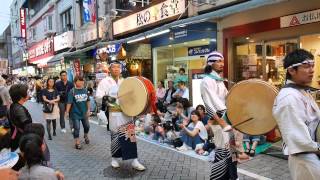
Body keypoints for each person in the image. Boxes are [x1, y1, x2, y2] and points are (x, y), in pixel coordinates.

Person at [272, 49, 320, 180]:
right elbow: (298, 140)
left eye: (312, 65)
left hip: (312, 155)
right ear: (292, 70)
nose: (312, 70)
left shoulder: (302, 91)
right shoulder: (288, 98)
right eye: (306, 66)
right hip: (305, 158)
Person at [95, 60, 145, 171]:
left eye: (118, 67)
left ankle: (134, 160)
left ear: (121, 69)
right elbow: (99, 96)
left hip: (127, 113)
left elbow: (133, 95)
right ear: (110, 69)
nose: (116, 69)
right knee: (115, 136)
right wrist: (111, 100)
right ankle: (115, 159)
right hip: (114, 113)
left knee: (130, 136)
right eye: (114, 67)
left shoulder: (125, 81)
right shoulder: (105, 82)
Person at [200, 51, 237, 180]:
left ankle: (233, 176)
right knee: (222, 153)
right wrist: (222, 123)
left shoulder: (218, 80)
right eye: (218, 61)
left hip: (226, 119)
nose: (222, 64)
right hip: (220, 121)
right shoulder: (207, 81)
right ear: (211, 63)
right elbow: (209, 105)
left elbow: (227, 98)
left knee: (231, 151)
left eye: (222, 61)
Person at [66, 76, 90, 150]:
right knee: (76, 128)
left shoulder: (85, 90)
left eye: (82, 81)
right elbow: (69, 103)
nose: (80, 82)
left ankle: (85, 135)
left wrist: (88, 109)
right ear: (75, 82)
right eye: (79, 81)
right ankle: (77, 142)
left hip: (84, 113)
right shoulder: (72, 91)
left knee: (87, 126)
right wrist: (67, 112)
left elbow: (88, 100)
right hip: (75, 113)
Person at [8, 84, 32, 151]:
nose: (28, 93)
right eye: (27, 92)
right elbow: (27, 126)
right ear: (21, 96)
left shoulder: (14, 105)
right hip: (20, 140)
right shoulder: (19, 109)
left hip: (16, 138)